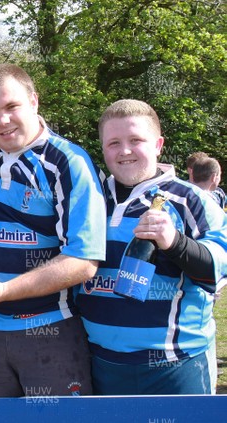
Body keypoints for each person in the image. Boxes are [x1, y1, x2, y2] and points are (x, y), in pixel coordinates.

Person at [0, 63, 106, 397]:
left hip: (50, 328)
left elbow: (84, 260)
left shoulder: (68, 161)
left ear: (34, 101)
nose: (2, 121)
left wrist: (5, 291)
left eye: (11, 107)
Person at [76, 99, 227, 395]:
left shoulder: (192, 201)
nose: (125, 151)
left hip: (175, 367)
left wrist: (175, 243)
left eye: (136, 140)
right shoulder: (88, 197)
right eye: (114, 143)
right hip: (100, 364)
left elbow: (217, 272)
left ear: (158, 145)